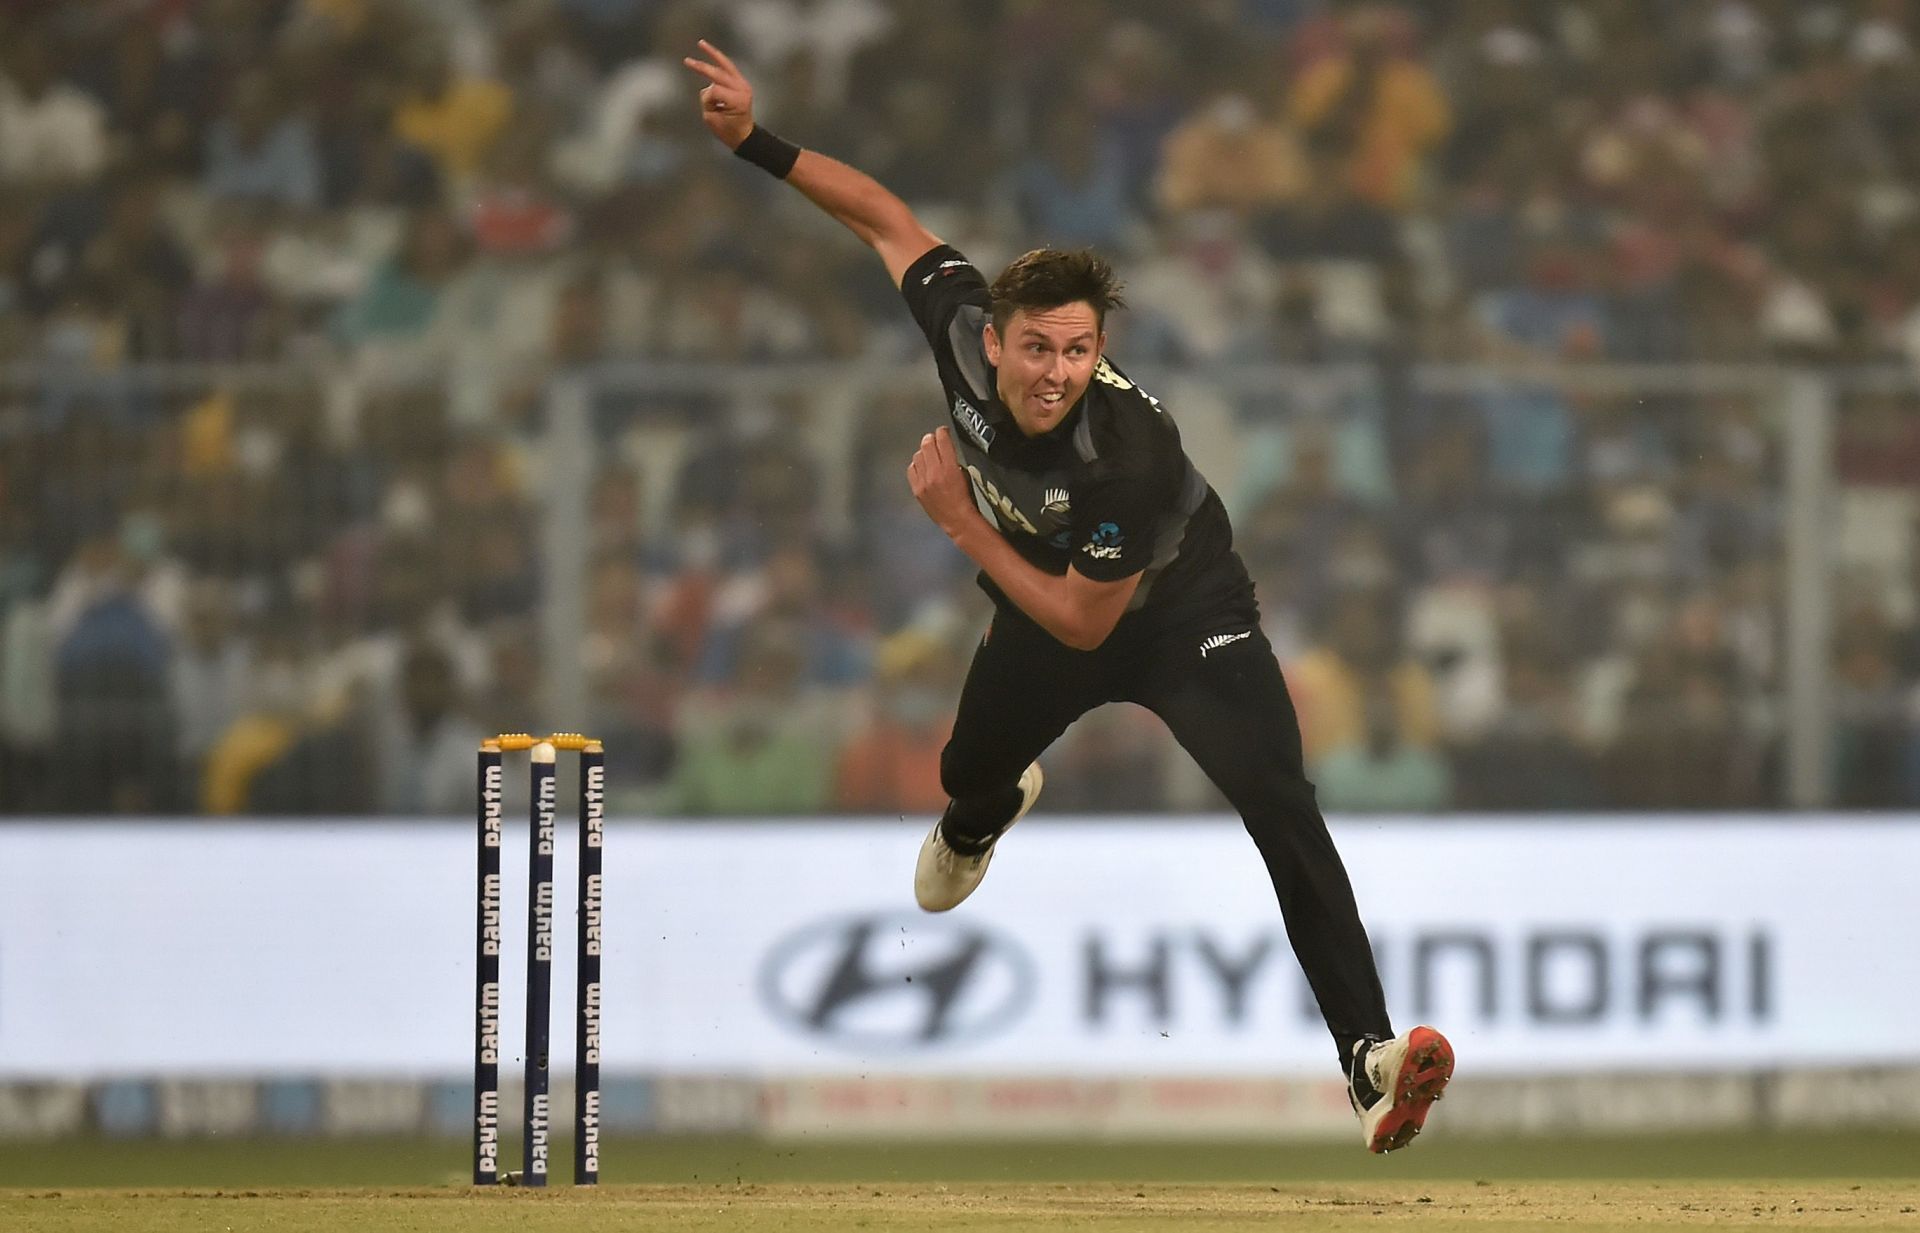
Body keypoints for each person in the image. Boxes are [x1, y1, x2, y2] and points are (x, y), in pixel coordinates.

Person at [684, 40, 1451, 1153]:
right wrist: (756, 138)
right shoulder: (957, 326)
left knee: (1280, 799)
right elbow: (885, 218)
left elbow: (1090, 621)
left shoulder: (1128, 451)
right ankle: (985, 812)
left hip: (1180, 612)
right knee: (966, 775)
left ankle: (1369, 1059)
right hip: (1049, 611)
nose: (1053, 374)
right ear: (990, 340)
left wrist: (954, 520)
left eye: (1078, 352)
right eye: (1036, 349)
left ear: (1102, 351)